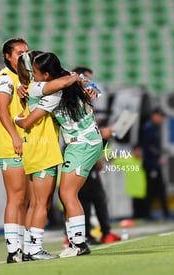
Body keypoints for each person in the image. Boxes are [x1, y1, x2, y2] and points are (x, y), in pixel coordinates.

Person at [15, 52, 103, 257]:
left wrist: (17, 118)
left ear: (46, 75)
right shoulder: (70, 82)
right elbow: (94, 88)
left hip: (83, 144)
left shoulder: (50, 92)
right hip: (85, 142)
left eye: (35, 72)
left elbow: (28, 122)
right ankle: (76, 242)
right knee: (67, 194)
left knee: (67, 194)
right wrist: (80, 80)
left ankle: (79, 244)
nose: (33, 75)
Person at [0, 38, 31, 263]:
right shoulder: (5, 78)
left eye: (26, 52)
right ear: (7, 56)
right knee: (16, 198)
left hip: (26, 145)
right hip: (11, 145)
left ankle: (24, 247)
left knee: (25, 198)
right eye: (19, 53)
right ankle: (13, 250)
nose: (24, 56)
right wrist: (15, 137)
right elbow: (1, 110)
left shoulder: (23, 77)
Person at [72, 66, 121, 245]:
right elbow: (76, 134)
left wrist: (99, 153)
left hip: (86, 154)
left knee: (92, 196)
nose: (91, 84)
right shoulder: (72, 101)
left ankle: (90, 233)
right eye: (86, 79)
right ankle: (83, 235)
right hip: (79, 154)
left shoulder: (83, 103)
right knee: (87, 197)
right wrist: (103, 134)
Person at [140, 107, 174, 221]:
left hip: (154, 163)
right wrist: (158, 157)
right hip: (151, 164)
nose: (161, 119)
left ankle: (165, 213)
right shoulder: (149, 127)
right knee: (151, 189)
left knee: (160, 189)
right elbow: (149, 146)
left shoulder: (154, 127)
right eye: (160, 116)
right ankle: (148, 215)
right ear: (154, 115)